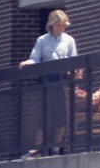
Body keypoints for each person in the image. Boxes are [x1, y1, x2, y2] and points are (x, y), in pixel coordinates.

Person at [18, 10, 78, 159]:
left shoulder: (69, 40)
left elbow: (74, 60)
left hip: (62, 80)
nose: (61, 28)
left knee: (60, 116)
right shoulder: (42, 40)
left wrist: (73, 74)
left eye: (64, 26)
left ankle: (56, 148)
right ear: (52, 25)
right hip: (46, 80)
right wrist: (27, 62)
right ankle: (37, 148)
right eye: (59, 25)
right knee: (42, 114)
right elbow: (35, 58)